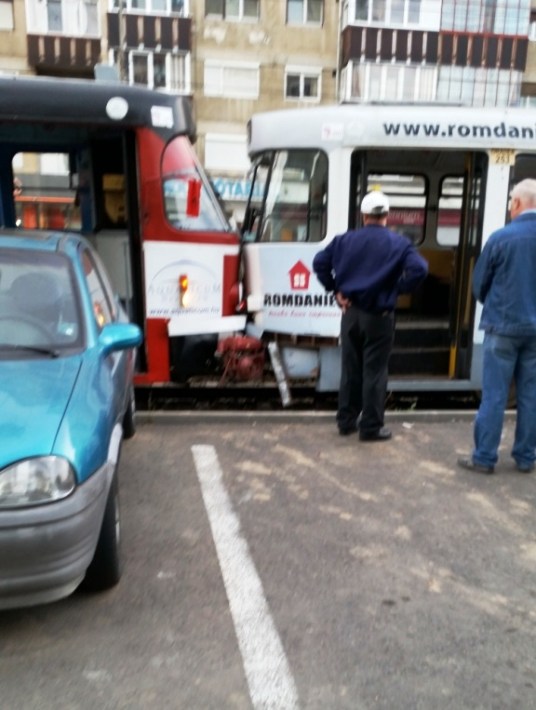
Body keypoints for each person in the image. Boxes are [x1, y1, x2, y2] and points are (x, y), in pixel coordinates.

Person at [313, 191, 428, 441]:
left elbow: (319, 263)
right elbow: (419, 269)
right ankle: (371, 427)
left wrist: (335, 289)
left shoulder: (344, 240)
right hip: (379, 316)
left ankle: (346, 422)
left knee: (350, 369)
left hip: (350, 313)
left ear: (363, 215)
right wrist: (396, 290)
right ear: (386, 215)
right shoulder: (399, 243)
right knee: (375, 372)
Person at [458, 178, 536, 474]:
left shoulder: (501, 238)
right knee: (531, 395)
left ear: (516, 203)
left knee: (494, 395)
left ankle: (485, 458)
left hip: (502, 327)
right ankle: (526, 457)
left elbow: (479, 284)